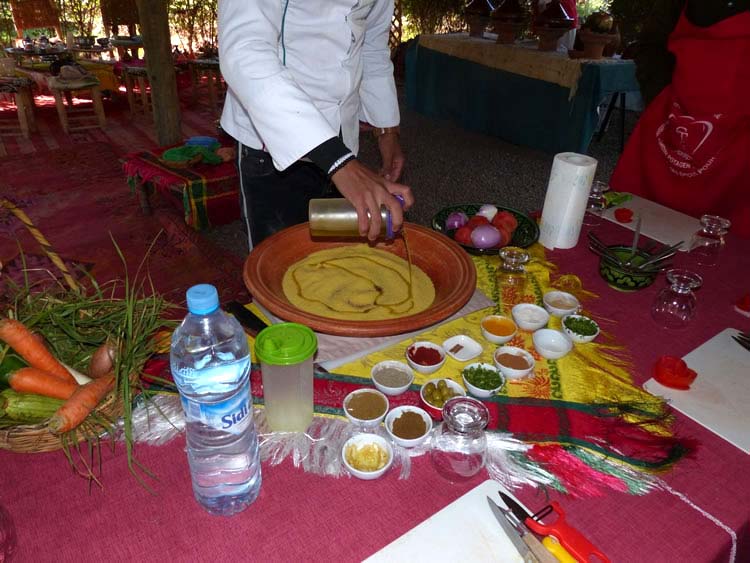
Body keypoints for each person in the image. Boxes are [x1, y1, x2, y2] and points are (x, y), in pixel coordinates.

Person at [218, 0, 414, 250]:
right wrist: (338, 162)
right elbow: (245, 51)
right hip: (272, 141)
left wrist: (387, 131)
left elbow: (372, 44)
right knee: (280, 262)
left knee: (337, 261)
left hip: (343, 140)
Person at [610, 0, 750, 238]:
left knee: (727, 250)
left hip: (739, 141)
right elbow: (652, 45)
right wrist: (661, 97)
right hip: (672, 120)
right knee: (631, 227)